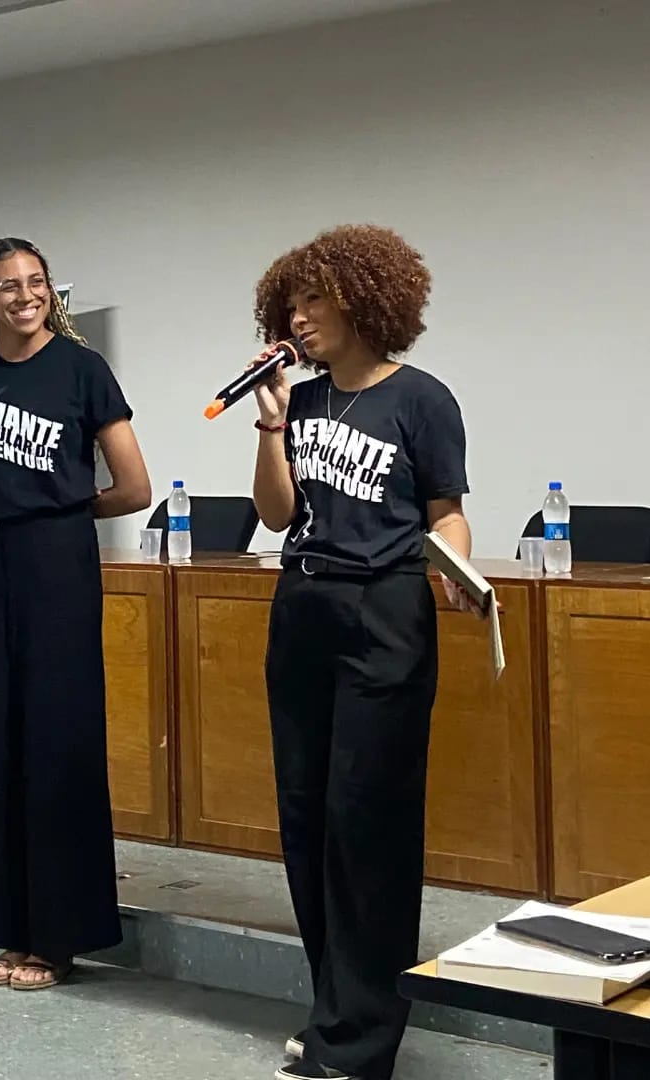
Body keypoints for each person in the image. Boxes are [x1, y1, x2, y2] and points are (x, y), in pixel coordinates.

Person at [248, 225, 476, 1080]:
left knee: (367, 820)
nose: (299, 318)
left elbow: (446, 511)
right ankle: (333, 1009)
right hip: (303, 607)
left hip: (385, 613)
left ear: (364, 300)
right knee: (307, 816)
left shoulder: (422, 399)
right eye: (290, 305)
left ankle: (362, 1040)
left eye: (315, 300)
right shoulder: (301, 403)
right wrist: (271, 424)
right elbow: (275, 514)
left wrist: (454, 565)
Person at [0, 237, 151, 991]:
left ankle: (58, 937)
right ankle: (6, 927)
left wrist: (58, 509)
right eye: (8, 285)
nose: (25, 295)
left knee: (57, 742)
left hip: (56, 565)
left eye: (37, 282)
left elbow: (134, 487)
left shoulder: (82, 370)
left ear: (51, 292)